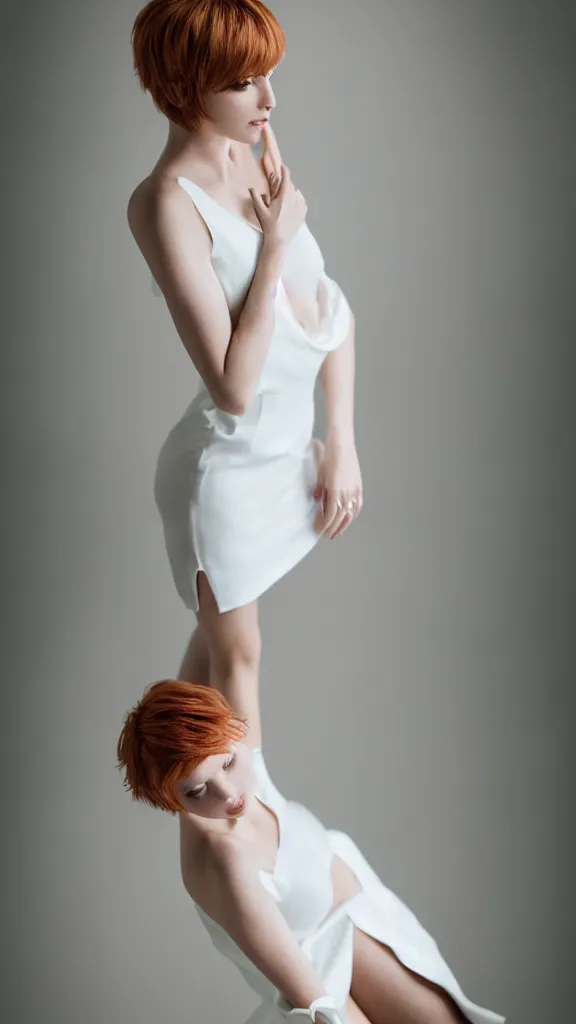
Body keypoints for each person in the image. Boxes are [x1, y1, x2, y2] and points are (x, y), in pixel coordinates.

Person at [126, 0, 363, 746]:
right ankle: (252, 838)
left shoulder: (253, 143)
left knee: (205, 675)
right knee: (240, 659)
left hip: (284, 451)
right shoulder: (166, 204)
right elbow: (234, 386)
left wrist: (340, 441)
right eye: (244, 82)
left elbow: (326, 306)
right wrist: (271, 248)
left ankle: (177, 790)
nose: (269, 99)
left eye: (268, 75)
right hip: (224, 469)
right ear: (186, 85)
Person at [116, 680, 506, 1024]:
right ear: (171, 802)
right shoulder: (224, 859)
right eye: (198, 791)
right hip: (323, 979)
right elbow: (307, 993)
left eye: (229, 763)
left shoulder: (246, 760)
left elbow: (233, 641)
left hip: (367, 926)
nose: (229, 793)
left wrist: (208, 595)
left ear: (235, 728)